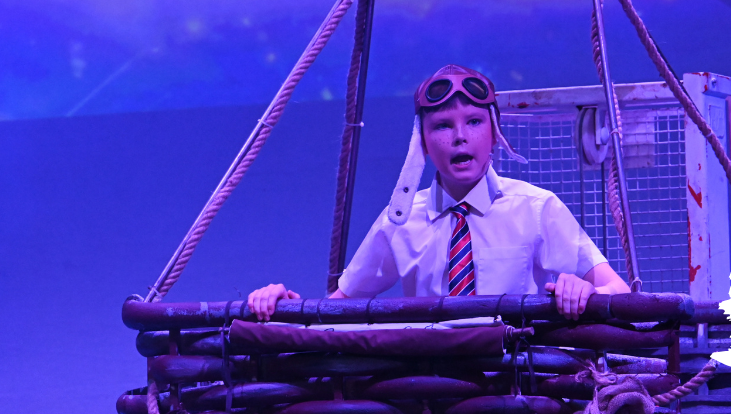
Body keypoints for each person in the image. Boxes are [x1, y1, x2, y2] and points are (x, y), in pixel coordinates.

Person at [249, 65, 629, 322]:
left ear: (495, 133)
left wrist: (584, 290)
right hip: (432, 391)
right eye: (443, 126)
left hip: (517, 389)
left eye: (474, 121)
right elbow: (335, 312)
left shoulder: (536, 209)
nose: (460, 136)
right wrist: (284, 307)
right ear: (423, 144)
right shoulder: (401, 219)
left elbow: (619, 290)